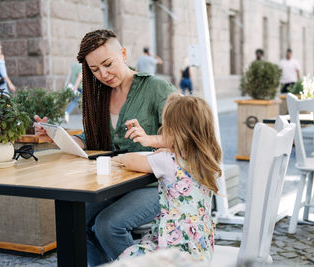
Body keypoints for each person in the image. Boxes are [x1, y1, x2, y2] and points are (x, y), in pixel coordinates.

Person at [34, 29, 176, 266]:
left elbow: (184, 137)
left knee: (108, 226)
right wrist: (58, 138)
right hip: (114, 183)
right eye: (94, 70)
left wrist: (150, 138)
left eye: (108, 64)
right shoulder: (98, 96)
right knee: (75, 223)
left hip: (156, 183)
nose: (103, 74)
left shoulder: (157, 89)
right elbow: (93, 138)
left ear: (123, 54)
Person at [113, 94, 221, 262]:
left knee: (128, 258)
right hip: (199, 246)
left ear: (175, 132)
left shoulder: (168, 161)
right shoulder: (208, 159)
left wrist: (120, 158)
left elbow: (133, 161)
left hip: (173, 247)